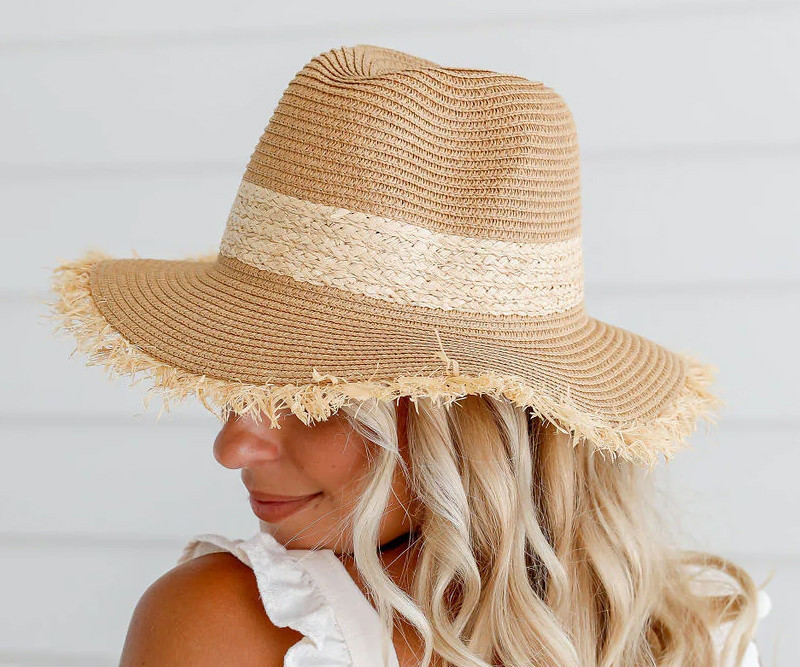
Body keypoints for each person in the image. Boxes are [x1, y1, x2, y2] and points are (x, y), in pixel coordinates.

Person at [47, 44, 770, 666]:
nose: (232, 445)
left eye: (315, 393)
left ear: (473, 415)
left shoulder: (700, 636)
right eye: (237, 380)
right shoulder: (230, 626)